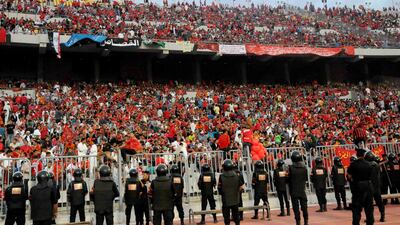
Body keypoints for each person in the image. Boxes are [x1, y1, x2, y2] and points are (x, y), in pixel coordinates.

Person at [347, 148, 374, 225]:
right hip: (368, 186)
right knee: (369, 207)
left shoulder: (353, 165)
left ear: (357, 155)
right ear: (364, 155)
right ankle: (370, 223)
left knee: (356, 208)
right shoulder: (369, 164)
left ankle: (356, 223)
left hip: (358, 186)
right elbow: (371, 176)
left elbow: (349, 176)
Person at [218, 159, 244, 225]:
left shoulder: (221, 176)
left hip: (226, 200)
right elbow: (241, 187)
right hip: (235, 199)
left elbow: (219, 188)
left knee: (226, 218)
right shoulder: (236, 175)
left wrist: (222, 193)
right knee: (236, 217)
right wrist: (237, 192)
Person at [288, 151, 308, 225]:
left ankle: (298, 222)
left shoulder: (291, 168)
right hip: (302, 190)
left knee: (296, 209)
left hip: (294, 191)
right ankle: (306, 222)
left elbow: (288, 179)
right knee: (304, 208)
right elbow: (305, 179)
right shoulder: (304, 168)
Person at [365, 151, 385, 222]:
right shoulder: (377, 165)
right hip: (377, 186)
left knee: (369, 203)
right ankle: (382, 216)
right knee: (379, 202)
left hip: (370, 186)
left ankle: (370, 218)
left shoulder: (367, 166)